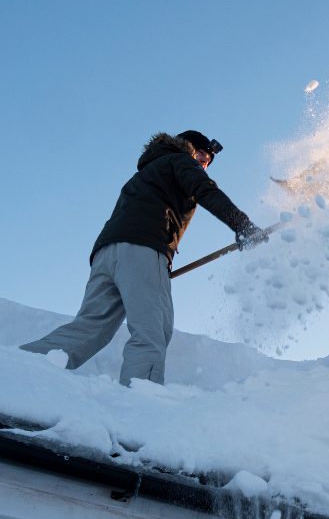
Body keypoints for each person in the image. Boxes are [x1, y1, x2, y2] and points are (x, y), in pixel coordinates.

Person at [20, 130, 267, 386]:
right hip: (142, 250)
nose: (204, 163)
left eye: (208, 161)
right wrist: (243, 226)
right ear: (188, 147)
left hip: (107, 253)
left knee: (89, 329)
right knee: (152, 329)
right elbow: (206, 191)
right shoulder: (180, 161)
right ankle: (140, 400)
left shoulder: (145, 173)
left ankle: (17, 369)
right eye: (202, 155)